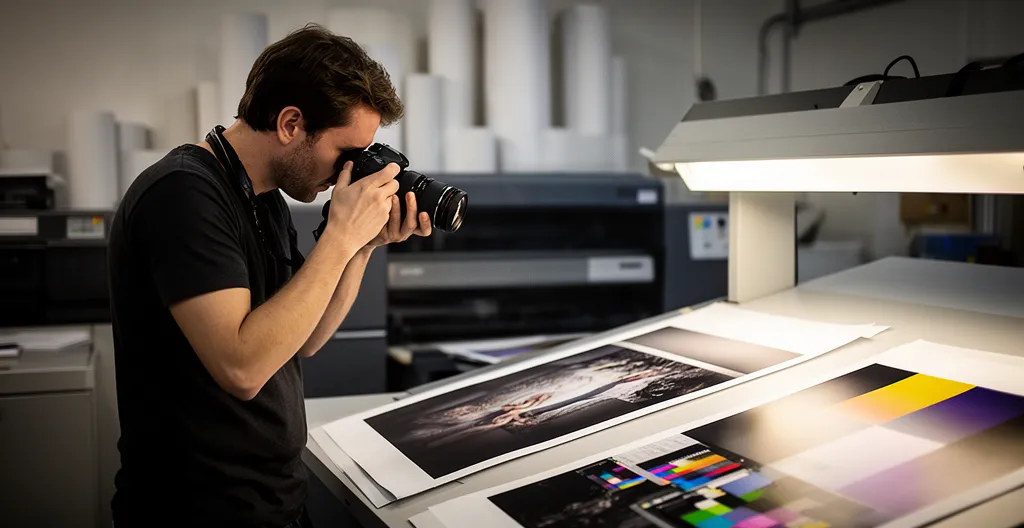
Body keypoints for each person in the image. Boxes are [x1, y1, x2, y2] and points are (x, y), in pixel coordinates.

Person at [106, 24, 429, 527]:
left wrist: (363, 247)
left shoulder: (266, 196)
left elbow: (304, 338)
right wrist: (340, 236)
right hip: (194, 511)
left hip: (271, 501)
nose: (350, 172)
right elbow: (242, 367)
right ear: (290, 124)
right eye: (345, 154)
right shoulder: (182, 196)